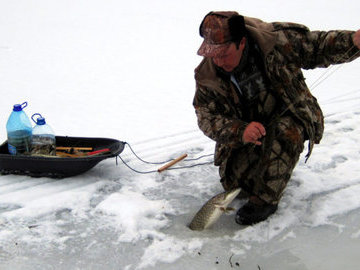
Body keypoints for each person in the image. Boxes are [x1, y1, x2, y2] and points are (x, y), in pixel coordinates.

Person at [193, 11, 360, 225]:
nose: (217, 60)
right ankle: (263, 166)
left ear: (241, 43)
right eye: (212, 53)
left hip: (289, 118)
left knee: (285, 133)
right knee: (236, 185)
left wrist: (353, 41)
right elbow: (207, 116)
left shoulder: (275, 42)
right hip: (248, 131)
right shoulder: (207, 76)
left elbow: (317, 46)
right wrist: (239, 131)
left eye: (224, 53)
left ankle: (265, 201)